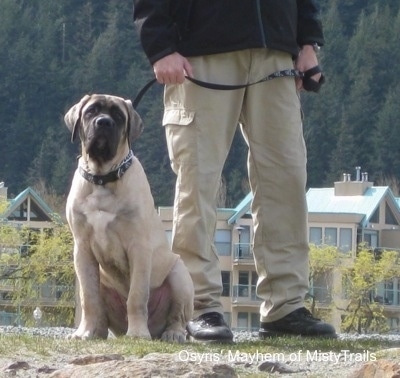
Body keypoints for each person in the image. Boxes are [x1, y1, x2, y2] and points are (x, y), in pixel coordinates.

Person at [133, 0, 336, 342]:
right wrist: (160, 48)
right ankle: (197, 306)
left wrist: (307, 43)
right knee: (198, 182)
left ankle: (285, 306)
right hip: (201, 53)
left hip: (276, 50)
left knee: (286, 181)